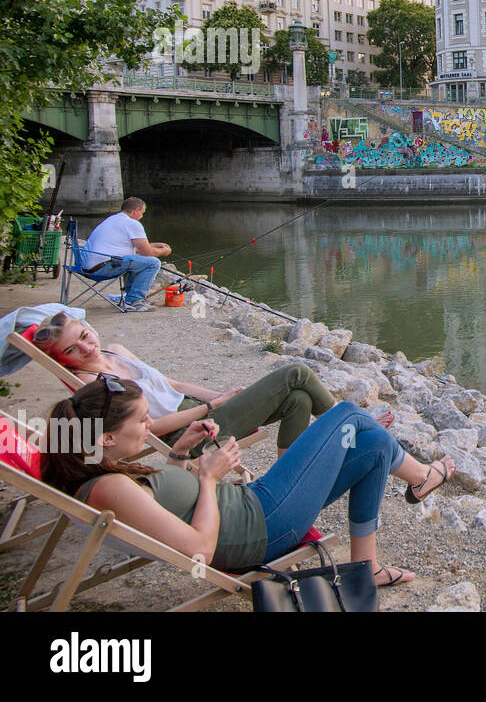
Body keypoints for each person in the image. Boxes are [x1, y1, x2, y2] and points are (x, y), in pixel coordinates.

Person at [42, 378, 454, 585]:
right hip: (264, 525)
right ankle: (421, 477)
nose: (151, 425)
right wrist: (209, 477)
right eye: (142, 420)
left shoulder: (104, 472)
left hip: (257, 507)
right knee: (346, 413)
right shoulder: (106, 488)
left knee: (375, 443)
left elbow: (168, 505)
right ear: (107, 438)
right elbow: (199, 551)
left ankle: (367, 568)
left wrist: (180, 454)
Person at [31, 310, 393, 456]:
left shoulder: (115, 351)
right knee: (296, 374)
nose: (85, 346)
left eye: (83, 335)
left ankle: (288, 471)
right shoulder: (88, 382)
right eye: (72, 349)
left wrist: (215, 395)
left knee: (298, 399)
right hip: (183, 432)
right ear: (63, 359)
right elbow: (148, 427)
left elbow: (168, 383)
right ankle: (358, 430)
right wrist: (210, 408)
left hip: (196, 410)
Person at [84, 197, 171, 312]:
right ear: (136, 210)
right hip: (103, 267)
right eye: (142, 213)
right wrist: (164, 251)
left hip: (89, 266)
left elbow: (134, 247)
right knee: (153, 263)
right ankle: (133, 301)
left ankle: (130, 297)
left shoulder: (113, 219)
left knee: (134, 260)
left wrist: (154, 245)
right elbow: (147, 252)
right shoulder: (132, 223)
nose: (142, 217)